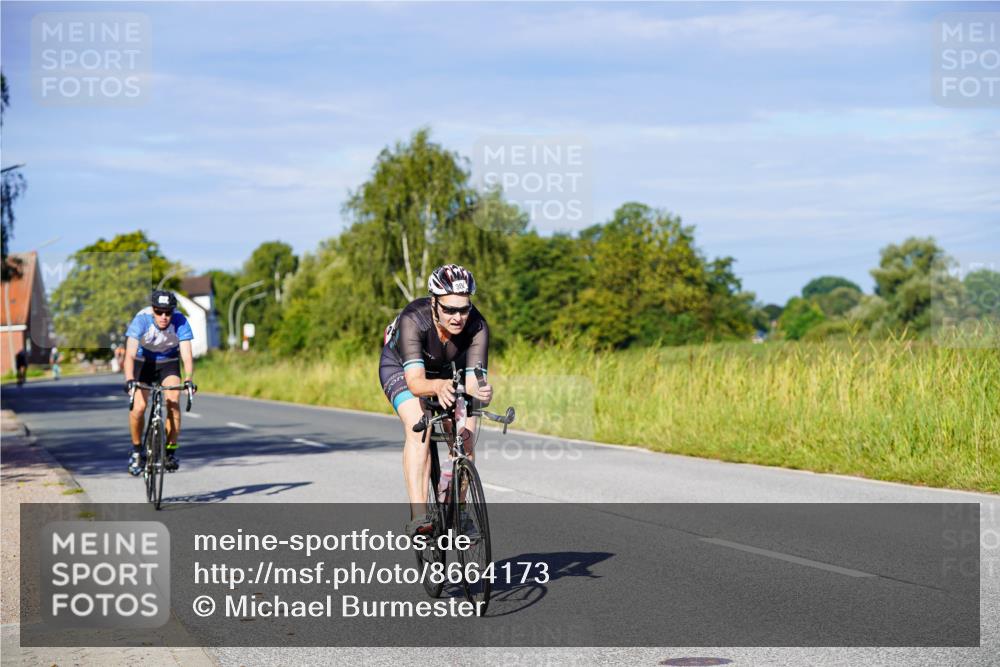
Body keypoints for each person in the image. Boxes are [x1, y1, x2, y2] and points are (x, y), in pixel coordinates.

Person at [379, 264, 493, 536]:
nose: (458, 317)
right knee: (420, 425)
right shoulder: (413, 319)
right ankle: (419, 515)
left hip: (447, 371)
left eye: (463, 309)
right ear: (434, 303)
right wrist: (438, 385)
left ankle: (461, 510)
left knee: (465, 435)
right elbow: (417, 383)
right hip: (402, 369)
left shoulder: (478, 326)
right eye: (449, 309)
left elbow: (475, 381)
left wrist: (482, 391)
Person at [124, 290, 197, 475]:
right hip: (143, 362)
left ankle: (170, 452)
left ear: (173, 311)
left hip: (168, 362)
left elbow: (187, 356)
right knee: (138, 407)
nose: (163, 317)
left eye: (168, 312)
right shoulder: (142, 319)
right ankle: (136, 450)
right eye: (158, 311)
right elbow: (130, 355)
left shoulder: (180, 321)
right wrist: (130, 380)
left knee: (173, 401)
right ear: (152, 310)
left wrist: (188, 379)